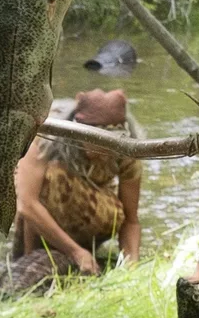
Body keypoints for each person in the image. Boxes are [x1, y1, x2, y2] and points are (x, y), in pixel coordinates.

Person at [14, 85, 144, 277]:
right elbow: (27, 205)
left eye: (107, 147)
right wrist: (75, 252)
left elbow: (131, 220)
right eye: (94, 144)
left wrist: (132, 268)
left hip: (96, 212)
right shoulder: (44, 135)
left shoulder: (126, 150)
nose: (99, 154)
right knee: (51, 178)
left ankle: (82, 250)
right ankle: (33, 253)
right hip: (43, 211)